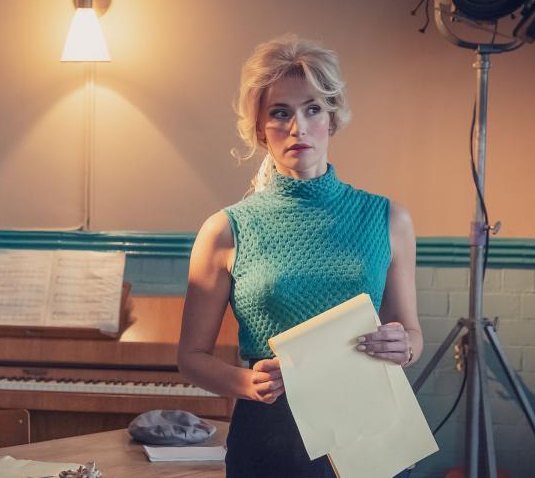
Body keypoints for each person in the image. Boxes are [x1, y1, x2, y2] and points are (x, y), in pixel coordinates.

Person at [177, 35, 423, 477]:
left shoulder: (388, 219)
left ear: (332, 118)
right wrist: (245, 383)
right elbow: (191, 356)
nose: (298, 127)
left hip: (369, 431)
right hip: (271, 434)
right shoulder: (224, 230)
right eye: (280, 113)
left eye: (313, 109)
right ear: (258, 128)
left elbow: (413, 335)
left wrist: (403, 345)